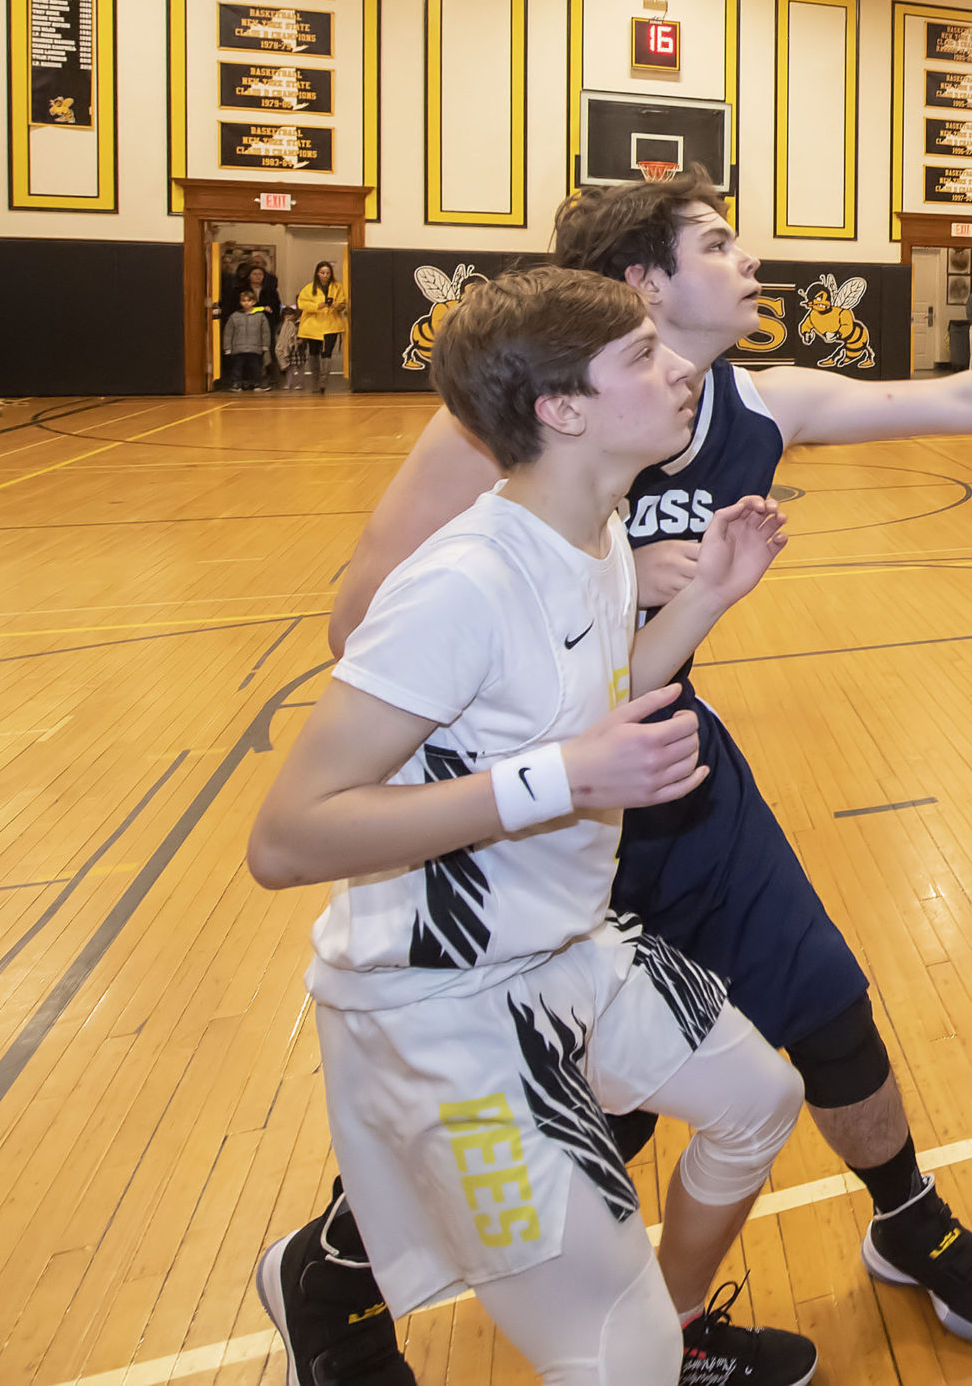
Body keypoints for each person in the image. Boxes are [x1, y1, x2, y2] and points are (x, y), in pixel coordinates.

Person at [275, 169, 972, 1382]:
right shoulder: (514, 422)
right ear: (641, 284)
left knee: (820, 1004)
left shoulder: (753, 403)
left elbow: (958, 398)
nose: (753, 264)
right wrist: (618, 572)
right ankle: (344, 1264)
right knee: (568, 1082)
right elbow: (358, 625)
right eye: (720, 243)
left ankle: (899, 1214)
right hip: (535, 802)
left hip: (666, 751)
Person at [247, 266, 814, 1386]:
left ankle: (679, 1328)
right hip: (441, 1007)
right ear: (561, 410)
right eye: (644, 357)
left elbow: (584, 702)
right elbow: (287, 837)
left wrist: (707, 599)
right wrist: (557, 779)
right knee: (616, 1360)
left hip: (566, 947)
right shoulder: (458, 583)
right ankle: (635, 1349)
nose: (682, 368)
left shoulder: (593, 531)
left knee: (760, 1103)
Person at [296, 260, 348, 394]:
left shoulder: (337, 287)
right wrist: (316, 306)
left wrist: (337, 305)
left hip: (331, 325)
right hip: (313, 326)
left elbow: (343, 303)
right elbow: (301, 304)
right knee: (313, 353)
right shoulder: (308, 288)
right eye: (322, 272)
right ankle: (314, 380)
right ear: (317, 273)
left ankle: (323, 382)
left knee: (327, 354)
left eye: (327, 273)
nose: (325, 275)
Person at [222, 289, 273, 392]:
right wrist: (227, 347)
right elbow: (228, 333)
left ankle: (257, 383)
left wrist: (265, 345)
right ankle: (237, 383)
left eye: (249, 300)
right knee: (237, 367)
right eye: (243, 300)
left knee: (256, 367)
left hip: (255, 347)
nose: (246, 303)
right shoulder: (234, 316)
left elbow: (265, 332)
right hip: (238, 347)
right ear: (240, 302)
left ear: (254, 302)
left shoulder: (260, 316)